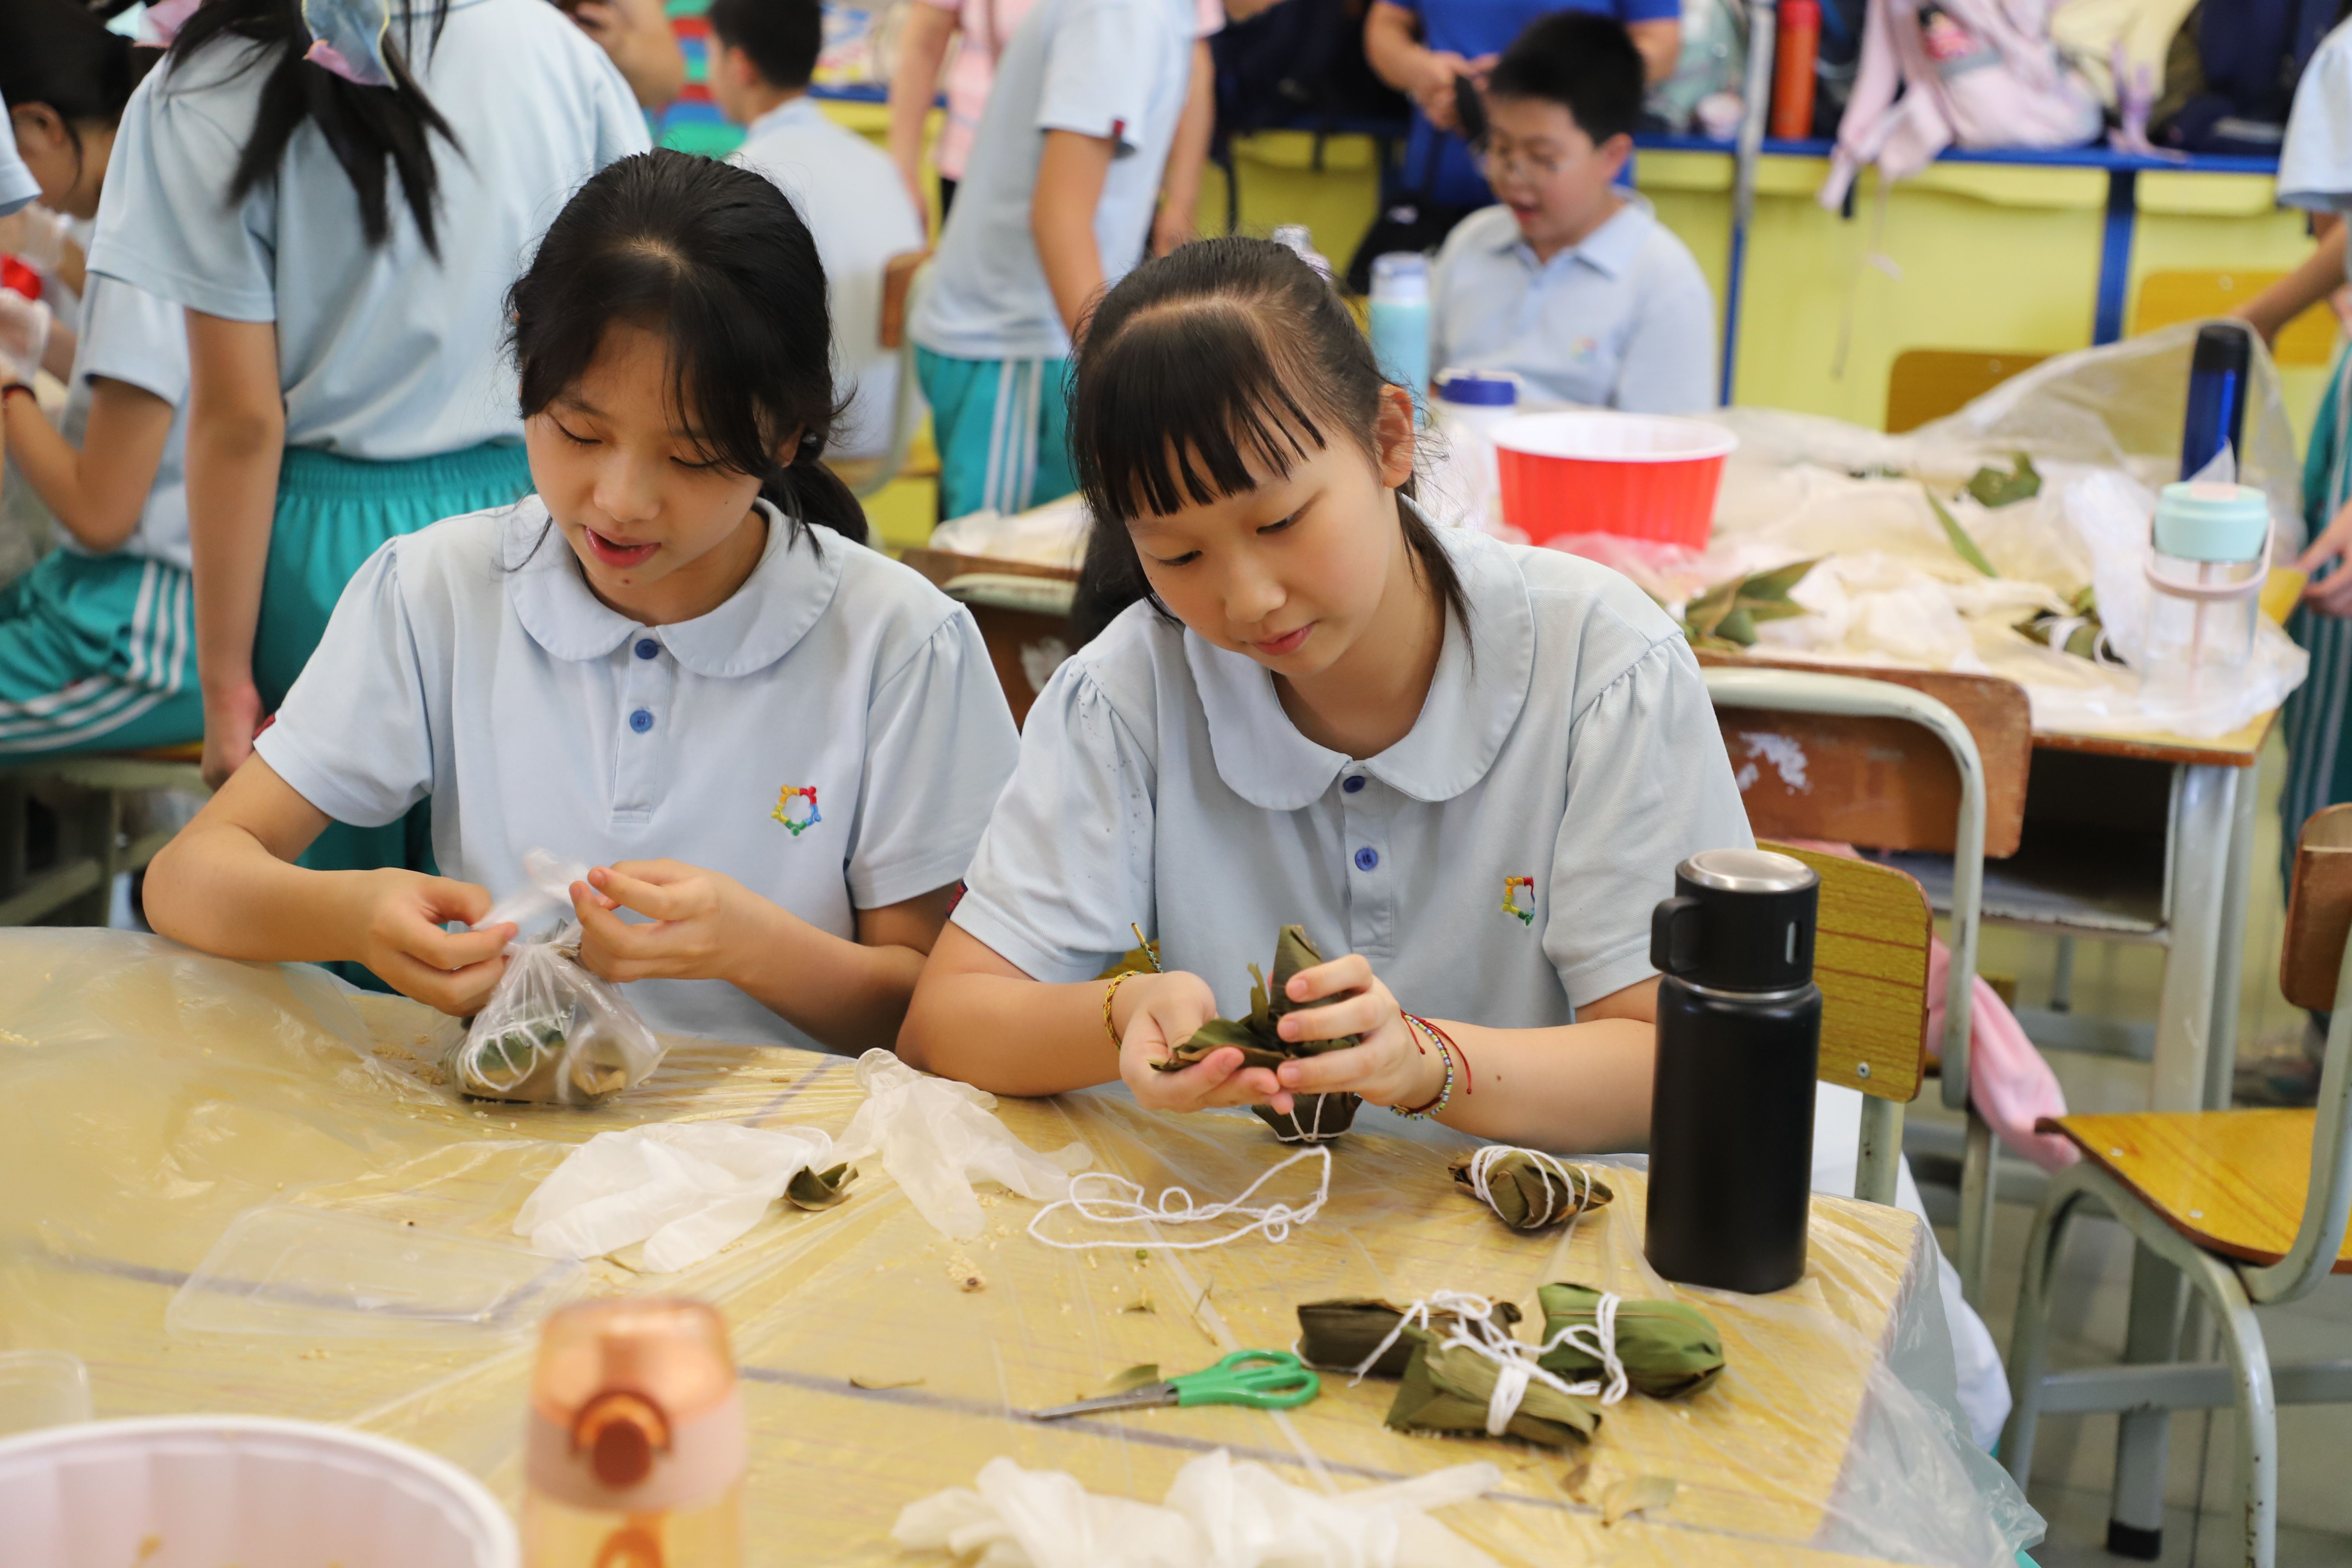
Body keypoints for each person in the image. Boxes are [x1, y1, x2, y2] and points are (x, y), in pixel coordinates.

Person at [898, 236, 2012, 1446]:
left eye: (1279, 520)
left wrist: (1429, 1064)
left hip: (1623, 1273)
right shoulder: (1128, 695)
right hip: (1307, 1270)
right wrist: (1117, 1019)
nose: (1249, 596)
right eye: (1176, 554)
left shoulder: (1599, 665)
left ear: (1387, 440)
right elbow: (947, 1019)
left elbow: (1678, 1066)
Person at [144, 151, 1023, 1054]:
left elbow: (933, 1013)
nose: (619, 500)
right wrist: (352, 913)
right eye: (578, 431)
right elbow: (187, 879)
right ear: (525, 364)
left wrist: (749, 947)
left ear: (790, 434)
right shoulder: (438, 591)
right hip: (511, 1138)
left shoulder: (898, 643)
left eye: (690, 458)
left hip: (793, 1158)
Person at [85, 0, 647, 964]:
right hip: (537, 510)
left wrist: (226, 692)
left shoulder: (197, 84)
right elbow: (631, 291)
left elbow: (241, 419)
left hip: (318, 550)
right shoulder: (548, 44)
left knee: (333, 957)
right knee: (529, 933)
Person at [905, 0, 1207, 521]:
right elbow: (1058, 218)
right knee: (998, 582)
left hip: (1041, 338)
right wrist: (1122, 383)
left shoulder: (1164, 15)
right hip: (1011, 343)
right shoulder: (1124, 16)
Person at [0, 0, 198, 756]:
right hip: (124, 600)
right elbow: (150, 393)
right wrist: (42, 343)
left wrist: (10, 387)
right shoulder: (154, 199)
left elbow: (101, 510)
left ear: (43, 127)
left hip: (138, 636)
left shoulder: (136, 236)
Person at [1428, 12, 1715, 413]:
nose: (1513, 176)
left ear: (1612, 157)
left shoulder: (1662, 282)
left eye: (1543, 157)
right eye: (1501, 148)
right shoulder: (1471, 244)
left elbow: (1668, 447)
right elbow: (1418, 389)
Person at [710, 0, 924, 461]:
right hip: (897, 429)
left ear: (739, 64)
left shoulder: (746, 177)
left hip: (805, 444)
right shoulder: (881, 166)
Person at [885, 0, 1220, 254]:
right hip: (987, 167)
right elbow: (924, 40)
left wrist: (1182, 201)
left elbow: (1193, 65)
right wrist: (902, 175)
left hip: (1111, 179)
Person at [1364, 0, 1678, 234]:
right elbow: (1387, 23)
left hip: (1572, 202)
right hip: (1441, 190)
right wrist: (1422, 71)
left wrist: (1529, 84)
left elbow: (1660, 47)